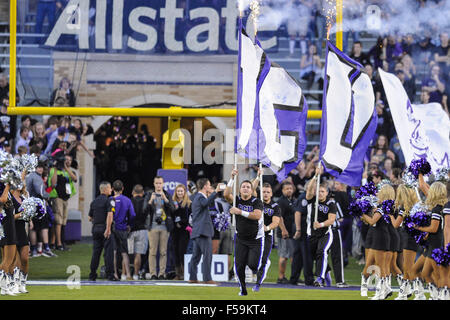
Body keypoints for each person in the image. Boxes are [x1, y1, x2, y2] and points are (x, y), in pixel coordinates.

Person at [224, 170, 263, 296]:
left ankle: (259, 270)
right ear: (240, 190)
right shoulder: (237, 200)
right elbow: (226, 194)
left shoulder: (256, 201)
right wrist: (232, 178)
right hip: (240, 238)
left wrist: (240, 212)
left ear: (252, 190)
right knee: (239, 265)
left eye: (248, 187)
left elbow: (257, 215)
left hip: (255, 239)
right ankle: (243, 288)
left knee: (252, 265)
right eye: (243, 187)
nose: (245, 189)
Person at [361, 184, 395, 300]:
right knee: (383, 267)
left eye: (380, 191)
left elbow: (371, 221)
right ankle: (385, 290)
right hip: (382, 236)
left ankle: (379, 294)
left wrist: (361, 213)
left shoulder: (382, 207)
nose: (378, 193)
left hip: (380, 237)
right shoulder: (388, 206)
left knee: (380, 267)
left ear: (384, 193)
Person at [305, 167, 337, 288]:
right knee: (316, 256)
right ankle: (326, 271)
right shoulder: (312, 200)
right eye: (318, 191)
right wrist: (315, 175)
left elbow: (332, 220)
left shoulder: (330, 204)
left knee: (321, 251)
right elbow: (309, 190)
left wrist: (321, 224)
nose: (320, 193)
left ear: (327, 193)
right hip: (312, 234)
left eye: (322, 191)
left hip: (325, 233)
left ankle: (319, 278)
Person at [414, 182, 446, 300]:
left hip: (436, 244)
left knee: (436, 275)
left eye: (432, 190)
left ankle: (441, 295)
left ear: (435, 192)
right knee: (425, 273)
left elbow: (434, 228)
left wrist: (418, 227)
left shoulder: (437, 209)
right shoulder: (439, 207)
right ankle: (436, 295)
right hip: (432, 244)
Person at [188, 178, 222, 285]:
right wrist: (216, 191)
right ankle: (207, 278)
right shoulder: (199, 197)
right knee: (207, 255)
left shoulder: (197, 197)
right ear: (205, 186)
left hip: (198, 231)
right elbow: (206, 203)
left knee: (196, 256)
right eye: (209, 185)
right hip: (203, 231)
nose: (210, 187)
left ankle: (193, 277)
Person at [251, 178, 280, 292]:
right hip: (253, 235)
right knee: (252, 260)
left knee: (263, 260)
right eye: (263, 191)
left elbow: (276, 222)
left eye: (268, 192)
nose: (266, 194)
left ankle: (258, 284)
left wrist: (266, 228)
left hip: (267, 236)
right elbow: (251, 188)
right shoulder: (256, 201)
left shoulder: (275, 206)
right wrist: (258, 178)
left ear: (271, 194)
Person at [390, 184, 419, 300]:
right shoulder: (415, 207)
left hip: (407, 237)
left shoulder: (404, 208)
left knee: (408, 268)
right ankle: (404, 293)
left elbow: (396, 224)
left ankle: (418, 292)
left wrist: (390, 216)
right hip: (412, 237)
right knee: (407, 268)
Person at [145, 176, 174, 280]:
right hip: (152, 226)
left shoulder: (166, 194)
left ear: (163, 184)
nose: (158, 185)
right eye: (156, 183)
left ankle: (161, 274)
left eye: (160, 183)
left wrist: (166, 200)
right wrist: (150, 201)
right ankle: (153, 274)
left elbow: (173, 209)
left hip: (164, 227)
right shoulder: (149, 194)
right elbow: (144, 210)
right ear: (154, 184)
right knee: (152, 251)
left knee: (163, 251)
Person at [48, 152, 77, 251]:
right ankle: (58, 244)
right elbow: (53, 183)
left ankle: (57, 242)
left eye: (68, 160)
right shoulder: (53, 170)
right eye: (65, 160)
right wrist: (56, 168)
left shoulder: (67, 171)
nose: (67, 162)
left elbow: (75, 179)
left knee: (63, 220)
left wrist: (65, 167)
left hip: (65, 198)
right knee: (58, 220)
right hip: (57, 197)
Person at [88, 181, 116, 281]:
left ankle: (92, 274)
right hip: (105, 229)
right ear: (105, 189)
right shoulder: (109, 200)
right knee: (108, 253)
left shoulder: (94, 202)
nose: (111, 190)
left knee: (96, 253)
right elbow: (110, 215)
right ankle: (110, 275)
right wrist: (108, 229)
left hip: (95, 229)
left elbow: (89, 217)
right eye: (109, 188)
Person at [26, 161, 55, 258]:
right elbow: (41, 192)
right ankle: (45, 249)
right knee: (43, 227)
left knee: (34, 227)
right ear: (35, 168)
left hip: (30, 204)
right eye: (39, 167)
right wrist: (47, 196)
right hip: (38, 205)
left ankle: (35, 249)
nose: (41, 169)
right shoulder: (36, 177)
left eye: (42, 167)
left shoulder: (29, 176)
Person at [110, 180, 135, 281]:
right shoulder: (127, 200)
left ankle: (115, 274)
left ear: (112, 189)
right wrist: (130, 224)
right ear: (123, 188)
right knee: (124, 252)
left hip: (113, 228)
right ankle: (128, 274)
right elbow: (132, 214)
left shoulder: (111, 200)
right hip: (123, 229)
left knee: (114, 252)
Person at [275, 181, 297, 284]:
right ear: (283, 190)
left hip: (292, 233)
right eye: (287, 189)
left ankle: (293, 276)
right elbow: (279, 216)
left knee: (293, 255)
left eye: (290, 188)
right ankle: (280, 277)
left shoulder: (292, 200)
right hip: (284, 233)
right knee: (284, 255)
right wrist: (283, 230)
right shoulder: (281, 201)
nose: (289, 190)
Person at [128, 184, 148, 280]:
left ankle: (126, 274)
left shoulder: (129, 201)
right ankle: (136, 275)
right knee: (138, 254)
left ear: (133, 192)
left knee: (127, 254)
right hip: (142, 230)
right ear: (143, 193)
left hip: (130, 230)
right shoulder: (145, 201)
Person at [172, 184, 192, 280]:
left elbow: (190, 218)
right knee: (175, 251)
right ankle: (177, 274)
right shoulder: (173, 203)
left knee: (182, 251)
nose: (180, 193)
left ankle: (184, 273)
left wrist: (182, 222)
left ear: (184, 192)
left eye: (181, 191)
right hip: (175, 230)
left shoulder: (188, 203)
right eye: (178, 191)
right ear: (176, 192)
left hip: (184, 230)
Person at [0, 183, 17, 296]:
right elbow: (2, 200)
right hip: (6, 227)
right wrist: (7, 186)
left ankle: (5, 286)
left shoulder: (8, 192)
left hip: (9, 225)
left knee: (10, 259)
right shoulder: (4, 191)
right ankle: (3, 287)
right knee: (7, 260)